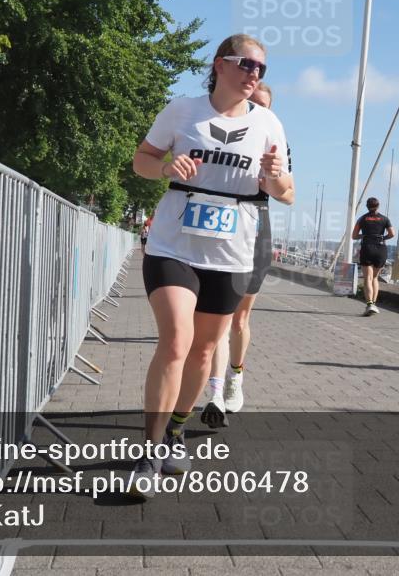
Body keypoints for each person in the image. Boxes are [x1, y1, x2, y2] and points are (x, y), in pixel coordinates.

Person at [129, 34, 294, 499]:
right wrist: (165, 169)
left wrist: (273, 177)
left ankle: (178, 429)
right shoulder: (182, 110)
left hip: (232, 253)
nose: (254, 74)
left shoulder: (269, 124)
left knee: (205, 351)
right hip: (173, 246)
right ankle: (149, 451)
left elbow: (287, 193)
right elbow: (141, 159)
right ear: (220, 65)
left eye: (261, 68)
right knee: (177, 341)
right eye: (246, 64)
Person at [199, 82, 294, 428]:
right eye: (252, 102)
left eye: (264, 106)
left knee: (238, 319)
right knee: (217, 320)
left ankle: (235, 377)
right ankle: (213, 394)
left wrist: (271, 176)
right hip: (213, 226)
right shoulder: (216, 128)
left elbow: (289, 195)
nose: (256, 109)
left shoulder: (275, 140)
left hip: (254, 227)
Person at [351, 198, 394, 315]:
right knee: (375, 278)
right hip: (381, 249)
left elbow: (354, 236)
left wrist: (365, 235)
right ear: (378, 206)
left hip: (367, 248)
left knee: (368, 279)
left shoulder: (362, 219)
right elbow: (392, 234)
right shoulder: (385, 219)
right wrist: (382, 237)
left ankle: (369, 304)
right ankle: (373, 305)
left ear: (367, 206)